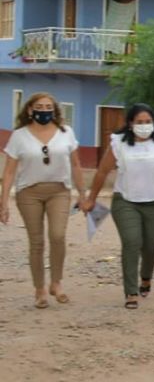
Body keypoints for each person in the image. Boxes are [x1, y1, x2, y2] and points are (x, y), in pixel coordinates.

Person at [81, 104, 154, 309]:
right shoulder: (119, 143)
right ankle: (131, 291)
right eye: (140, 122)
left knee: (151, 247)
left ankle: (146, 277)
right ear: (130, 124)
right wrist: (91, 198)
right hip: (126, 201)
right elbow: (102, 171)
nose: (144, 126)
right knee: (131, 242)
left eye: (148, 122)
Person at [0, 92, 84, 308]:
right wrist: (3, 201)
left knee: (58, 235)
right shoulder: (19, 135)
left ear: (54, 110)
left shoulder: (66, 133)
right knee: (36, 241)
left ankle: (56, 282)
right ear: (30, 110)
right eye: (40, 106)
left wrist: (83, 194)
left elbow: (75, 165)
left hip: (59, 191)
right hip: (29, 192)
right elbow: (9, 171)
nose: (44, 110)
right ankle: (40, 289)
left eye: (49, 106)